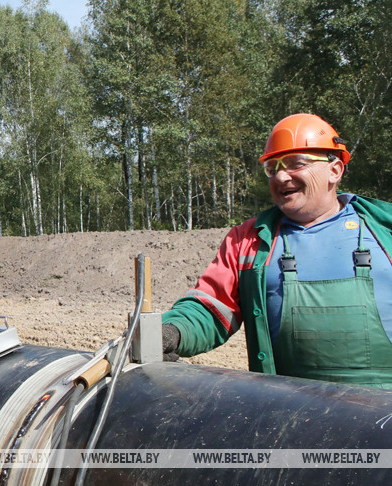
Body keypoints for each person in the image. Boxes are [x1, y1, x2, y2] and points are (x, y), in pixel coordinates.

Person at [162, 113, 392, 389]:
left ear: (335, 170)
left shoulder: (384, 230)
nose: (281, 176)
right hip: (288, 412)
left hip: (382, 417)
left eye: (296, 164)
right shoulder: (247, 240)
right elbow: (211, 310)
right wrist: (171, 331)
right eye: (273, 167)